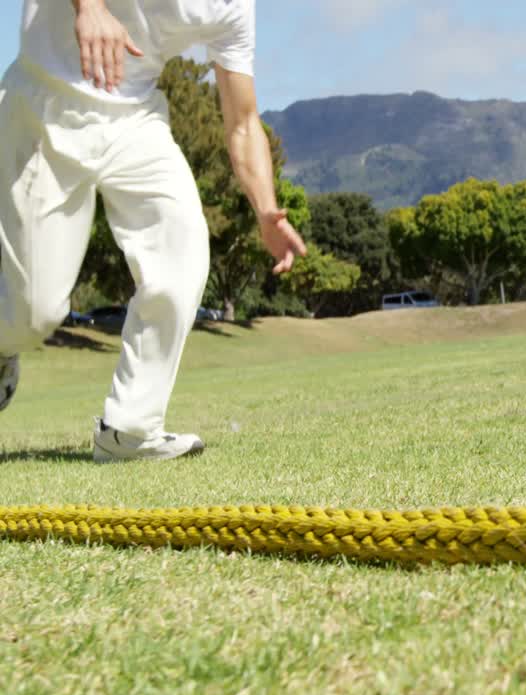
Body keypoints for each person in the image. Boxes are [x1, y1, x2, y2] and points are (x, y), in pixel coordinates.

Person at [0, 0, 305, 462]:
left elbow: (242, 121)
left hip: (134, 119)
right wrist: (90, 7)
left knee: (182, 245)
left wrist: (265, 208)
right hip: (44, 101)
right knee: (34, 312)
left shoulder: (234, 8)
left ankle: (130, 430)